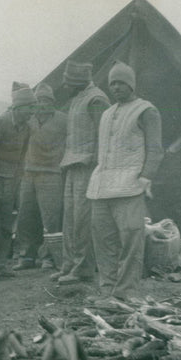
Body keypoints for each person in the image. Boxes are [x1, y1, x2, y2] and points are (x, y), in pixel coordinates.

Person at [87, 61, 163, 300]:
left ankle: (127, 291)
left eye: (121, 82)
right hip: (101, 187)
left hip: (130, 185)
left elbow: (156, 149)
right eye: (112, 83)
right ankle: (107, 289)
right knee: (103, 239)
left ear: (131, 84)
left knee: (131, 239)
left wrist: (145, 177)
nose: (116, 88)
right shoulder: (107, 113)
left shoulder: (146, 110)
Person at [55, 60, 110, 285]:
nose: (66, 86)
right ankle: (68, 264)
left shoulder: (97, 99)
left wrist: (99, 167)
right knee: (69, 219)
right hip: (71, 164)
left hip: (88, 166)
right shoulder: (77, 98)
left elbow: (103, 136)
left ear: (79, 81)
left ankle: (83, 268)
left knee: (82, 220)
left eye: (69, 82)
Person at [0, 82, 36, 279]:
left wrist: (17, 180)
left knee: (5, 224)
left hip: (10, 181)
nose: (32, 112)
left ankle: (1, 264)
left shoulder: (26, 129)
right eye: (29, 108)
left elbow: (22, 157)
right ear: (18, 107)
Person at [13, 83, 67, 271]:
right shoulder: (29, 120)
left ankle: (50, 258)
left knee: (51, 219)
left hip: (52, 174)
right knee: (26, 216)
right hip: (29, 174)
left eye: (46, 100)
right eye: (39, 101)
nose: (42, 104)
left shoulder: (63, 120)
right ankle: (27, 256)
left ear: (53, 102)